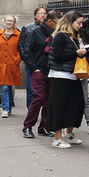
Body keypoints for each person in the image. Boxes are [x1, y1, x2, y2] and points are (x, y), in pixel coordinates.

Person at [45, 12, 89, 149]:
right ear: (70, 22)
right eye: (78, 23)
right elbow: (57, 56)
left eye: (81, 23)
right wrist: (76, 53)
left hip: (72, 75)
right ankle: (57, 138)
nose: (80, 26)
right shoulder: (60, 35)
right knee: (59, 107)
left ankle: (68, 133)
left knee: (76, 104)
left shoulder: (74, 36)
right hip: (60, 75)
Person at [22, 10, 59, 138]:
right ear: (49, 22)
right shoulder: (34, 32)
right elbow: (26, 51)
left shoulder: (57, 33)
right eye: (56, 23)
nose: (58, 26)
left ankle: (44, 127)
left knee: (48, 100)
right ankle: (27, 126)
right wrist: (34, 68)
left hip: (52, 70)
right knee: (39, 98)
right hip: (39, 69)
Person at [0, 15, 22, 118]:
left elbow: (21, 49)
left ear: (14, 23)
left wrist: (17, 60)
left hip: (12, 63)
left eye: (11, 21)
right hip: (0, 64)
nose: (9, 22)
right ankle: (6, 108)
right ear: (4, 22)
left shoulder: (18, 35)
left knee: (8, 86)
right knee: (4, 86)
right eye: (7, 20)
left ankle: (8, 108)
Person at [19, 7, 48, 109]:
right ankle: (31, 110)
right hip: (32, 63)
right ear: (35, 16)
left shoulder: (50, 29)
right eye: (40, 13)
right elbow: (21, 46)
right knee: (31, 88)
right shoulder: (28, 28)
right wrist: (28, 61)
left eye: (44, 13)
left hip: (45, 62)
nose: (42, 15)